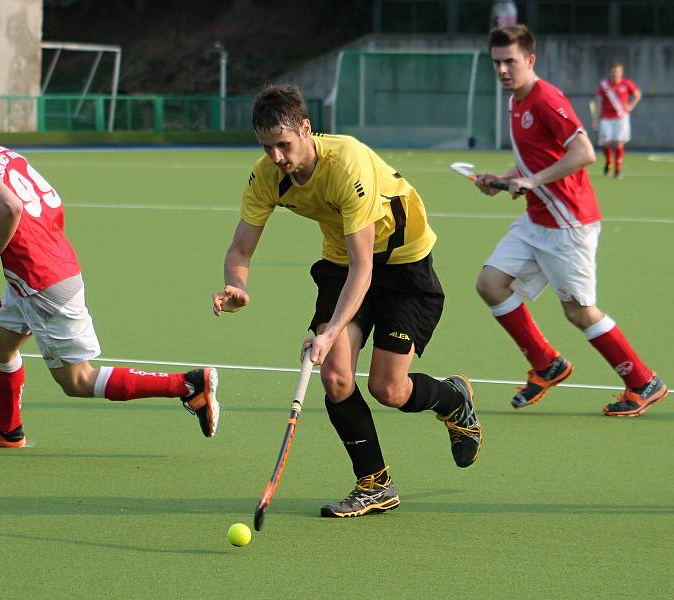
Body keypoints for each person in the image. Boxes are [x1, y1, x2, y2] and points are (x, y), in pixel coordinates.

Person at [212, 84, 482, 519]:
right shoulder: (266, 175)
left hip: (401, 265)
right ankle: (374, 482)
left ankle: (452, 398)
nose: (277, 157)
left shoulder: (346, 163)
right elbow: (240, 250)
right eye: (267, 148)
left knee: (387, 389)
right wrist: (235, 285)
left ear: (306, 128)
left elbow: (366, 268)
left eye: (284, 145)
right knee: (336, 377)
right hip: (343, 264)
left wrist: (329, 332)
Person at [0, 81, 219, 447]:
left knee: (77, 381)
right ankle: (6, 427)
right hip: (29, 275)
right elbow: (34, 215)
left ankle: (188, 385)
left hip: (42, 283)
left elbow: (10, 210)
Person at [474, 25, 666, 417]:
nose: (503, 70)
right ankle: (547, 364)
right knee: (491, 284)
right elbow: (534, 159)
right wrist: (503, 179)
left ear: (530, 60)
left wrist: (532, 181)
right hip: (536, 221)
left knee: (579, 311)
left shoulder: (546, 98)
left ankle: (643, 382)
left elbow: (584, 152)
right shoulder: (515, 100)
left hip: (568, 226)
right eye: (497, 63)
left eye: (510, 61)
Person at [592, 62, 641, 179]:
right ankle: (609, 161)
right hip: (606, 119)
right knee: (606, 143)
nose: (615, 73)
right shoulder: (604, 85)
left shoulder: (626, 83)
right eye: (613, 71)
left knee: (619, 142)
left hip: (621, 118)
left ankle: (617, 170)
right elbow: (598, 103)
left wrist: (630, 106)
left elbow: (637, 94)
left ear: (621, 72)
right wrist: (595, 119)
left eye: (617, 71)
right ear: (610, 72)